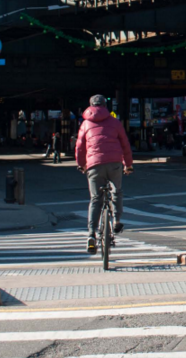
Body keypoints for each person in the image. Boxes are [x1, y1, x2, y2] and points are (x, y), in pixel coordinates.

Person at [76, 94, 133, 254]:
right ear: (104, 105)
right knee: (117, 190)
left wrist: (81, 165)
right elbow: (125, 144)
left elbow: (80, 146)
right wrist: (128, 165)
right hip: (114, 163)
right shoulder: (115, 122)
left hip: (94, 165)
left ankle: (91, 235)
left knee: (95, 199)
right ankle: (116, 220)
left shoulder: (86, 124)